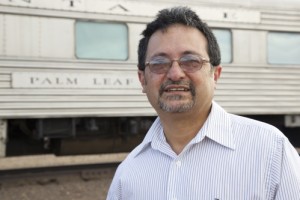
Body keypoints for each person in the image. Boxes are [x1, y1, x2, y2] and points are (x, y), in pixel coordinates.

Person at [107, 6, 300, 200]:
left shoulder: (271, 151)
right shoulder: (128, 174)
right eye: (159, 63)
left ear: (215, 75)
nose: (175, 74)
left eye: (190, 61)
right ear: (142, 80)